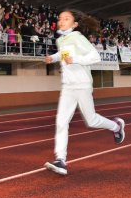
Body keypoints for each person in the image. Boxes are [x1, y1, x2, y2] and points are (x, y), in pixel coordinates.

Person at [43, 9, 125, 176]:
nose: (62, 21)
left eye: (66, 19)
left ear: (74, 24)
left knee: (92, 120)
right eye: (60, 19)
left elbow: (95, 56)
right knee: (61, 122)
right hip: (67, 86)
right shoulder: (61, 40)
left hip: (82, 84)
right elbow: (64, 53)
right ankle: (61, 160)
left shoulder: (78, 38)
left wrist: (76, 60)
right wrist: (54, 57)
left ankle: (117, 127)